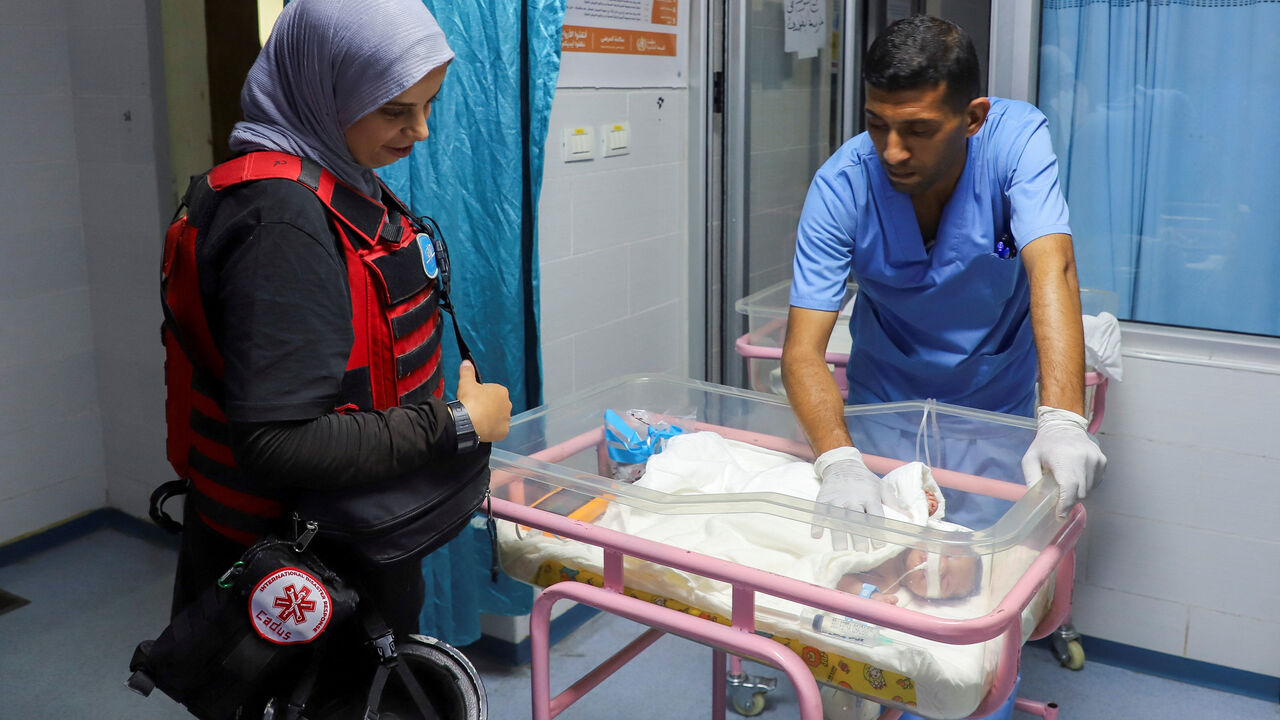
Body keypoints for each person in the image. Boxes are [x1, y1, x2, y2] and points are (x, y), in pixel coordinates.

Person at [159, 0, 511, 712]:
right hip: (296, 563)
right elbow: (276, 441)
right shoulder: (280, 220)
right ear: (325, 86)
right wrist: (458, 424)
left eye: (429, 105)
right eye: (395, 111)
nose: (421, 131)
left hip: (336, 542)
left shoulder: (325, 172)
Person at [782, 15, 1106, 529]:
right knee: (892, 564)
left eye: (918, 130)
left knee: (985, 566)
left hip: (996, 406)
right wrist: (838, 460)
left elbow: (1055, 267)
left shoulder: (1014, 142)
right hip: (885, 405)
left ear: (973, 118)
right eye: (876, 124)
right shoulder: (841, 186)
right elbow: (801, 353)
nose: (892, 151)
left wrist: (1063, 417)